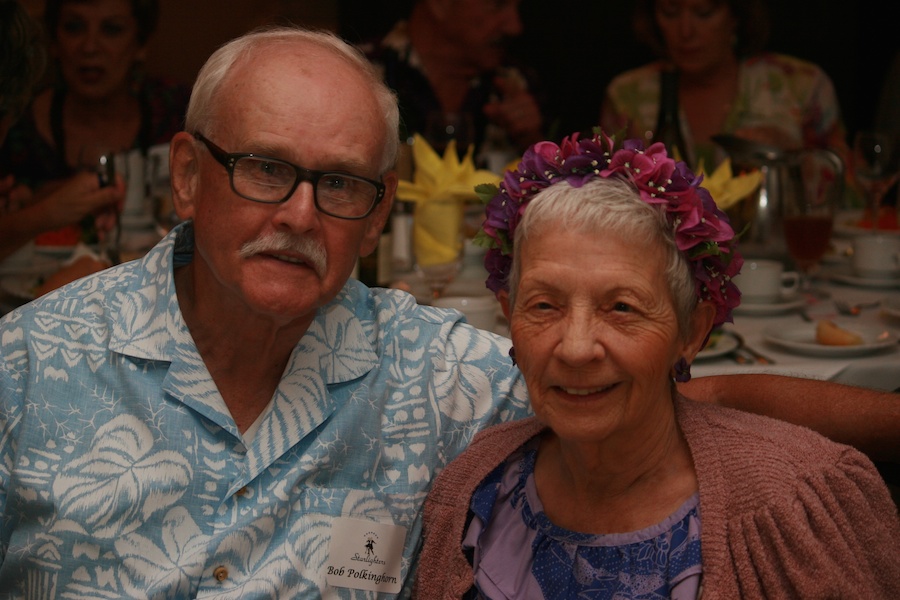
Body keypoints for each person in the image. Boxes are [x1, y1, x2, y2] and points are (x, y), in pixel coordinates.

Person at [0, 25, 898, 599]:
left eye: (341, 183)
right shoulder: (31, 364)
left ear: (381, 209)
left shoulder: (439, 375)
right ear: (189, 175)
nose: (301, 216)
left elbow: (667, 403)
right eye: (265, 169)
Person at [415, 131, 900, 598]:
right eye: (544, 306)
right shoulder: (473, 492)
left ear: (691, 334)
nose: (576, 348)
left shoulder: (796, 510)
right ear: (509, 317)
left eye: (622, 308)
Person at [0, 0, 187, 256]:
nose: (89, 47)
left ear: (141, 44)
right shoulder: (15, 122)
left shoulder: (176, 112)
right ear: (54, 41)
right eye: (74, 27)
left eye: (111, 29)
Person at [598, 0, 850, 171]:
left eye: (704, 12)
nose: (685, 31)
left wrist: (794, 157)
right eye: (670, 12)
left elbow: (854, 196)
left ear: (736, 15)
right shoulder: (627, 95)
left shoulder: (801, 84)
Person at [360, 0, 545, 171]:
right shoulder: (359, 73)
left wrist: (531, 140)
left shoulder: (517, 83)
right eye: (498, 4)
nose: (515, 26)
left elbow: (557, 194)